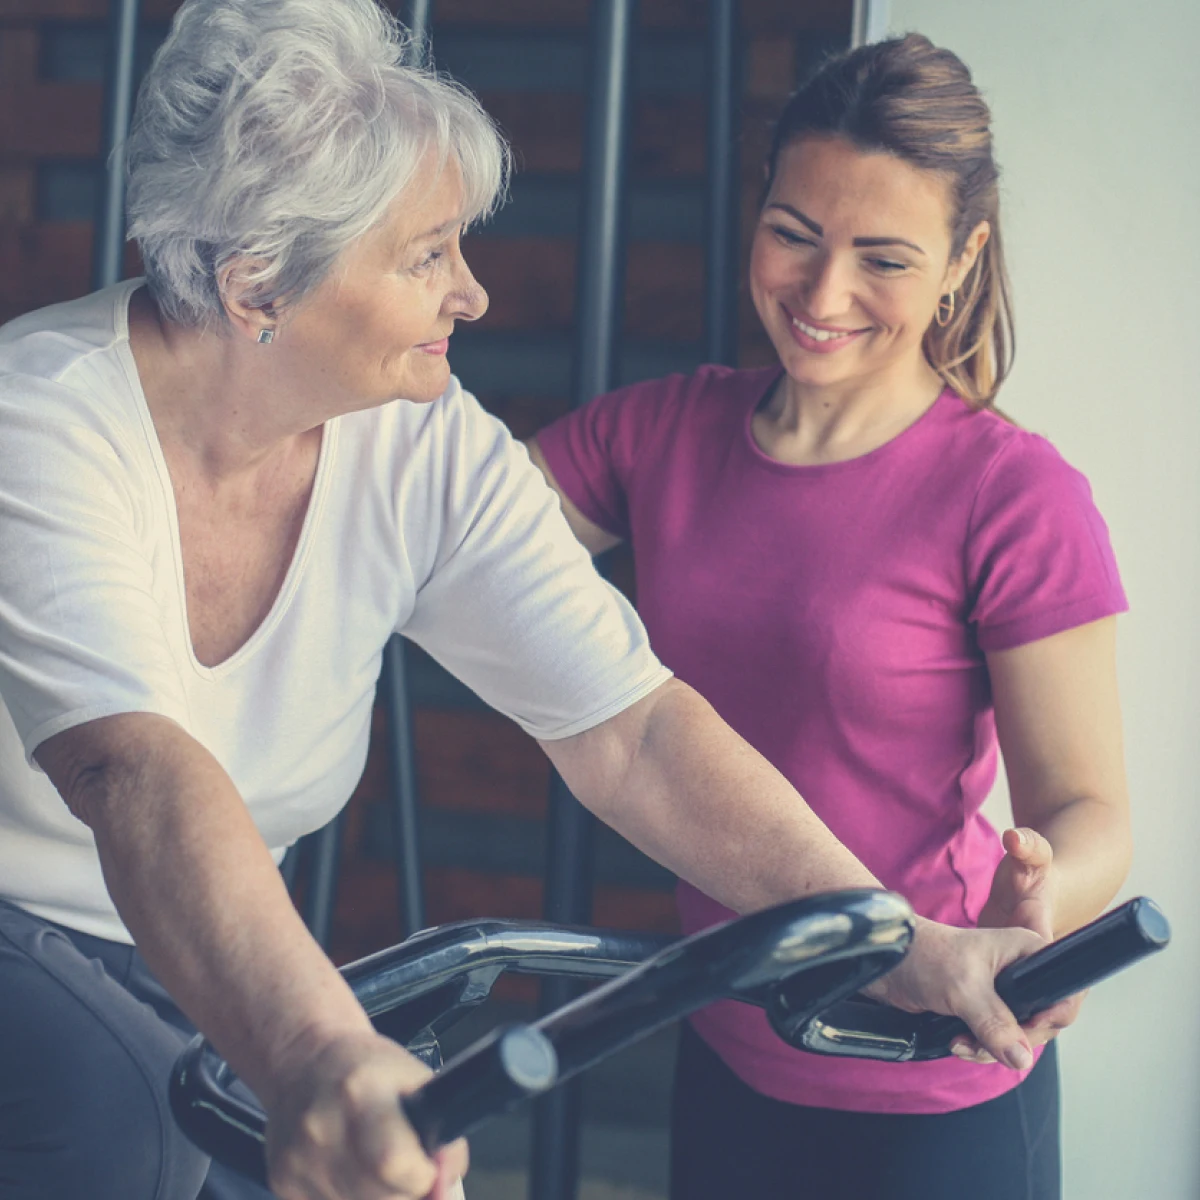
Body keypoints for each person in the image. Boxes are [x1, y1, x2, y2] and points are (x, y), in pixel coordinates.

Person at [0, 6, 1065, 1200]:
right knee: (124, 1127)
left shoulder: (418, 444)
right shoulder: (42, 421)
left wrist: (892, 938)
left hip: (188, 945)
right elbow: (136, 770)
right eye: (426, 256)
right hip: (20, 919)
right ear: (260, 286)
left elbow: (631, 728)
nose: (473, 294)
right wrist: (315, 1052)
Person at [530, 32, 1131, 1200]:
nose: (821, 295)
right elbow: (455, 535)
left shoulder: (1014, 495)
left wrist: (1046, 895)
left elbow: (1088, 805)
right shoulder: (662, 433)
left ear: (964, 259)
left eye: (884, 259)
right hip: (729, 1051)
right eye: (794, 235)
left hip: (934, 1083)